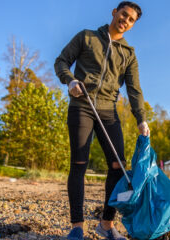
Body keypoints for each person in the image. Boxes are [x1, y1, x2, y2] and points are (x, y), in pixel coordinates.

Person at [54, 2, 149, 240]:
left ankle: (106, 224)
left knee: (118, 166)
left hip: (108, 111)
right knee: (79, 164)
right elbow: (61, 61)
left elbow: (134, 89)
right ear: (114, 13)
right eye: (123, 15)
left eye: (131, 20)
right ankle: (77, 226)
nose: (125, 21)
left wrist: (141, 119)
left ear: (133, 25)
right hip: (81, 106)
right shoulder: (87, 37)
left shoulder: (129, 53)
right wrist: (70, 81)